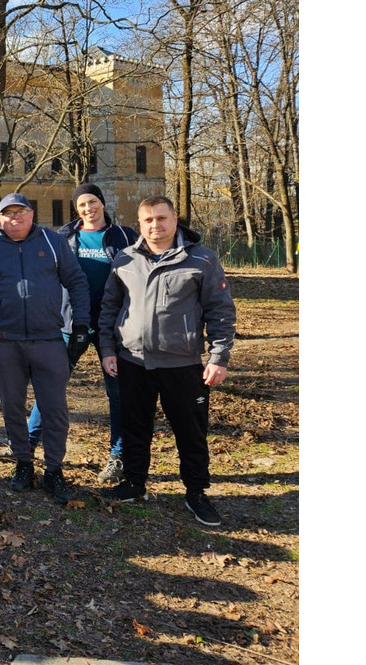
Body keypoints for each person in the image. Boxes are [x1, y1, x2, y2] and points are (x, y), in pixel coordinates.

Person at [98, 196, 236, 527]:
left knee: (190, 432)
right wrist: (107, 349)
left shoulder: (201, 259)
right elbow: (109, 308)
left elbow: (220, 310)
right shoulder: (125, 259)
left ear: (175, 219)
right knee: (134, 427)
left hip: (183, 364)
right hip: (132, 361)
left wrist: (218, 357)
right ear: (140, 223)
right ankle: (134, 483)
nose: (155, 226)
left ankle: (197, 493)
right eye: (148, 220)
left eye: (162, 218)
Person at [6, 184, 137, 483]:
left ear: (102, 203)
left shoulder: (124, 236)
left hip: (113, 324)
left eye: (92, 201)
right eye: (81, 204)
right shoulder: (63, 237)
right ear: (76, 209)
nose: (88, 208)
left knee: (118, 393)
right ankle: (27, 443)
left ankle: (118, 455)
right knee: (51, 385)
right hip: (70, 323)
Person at [0, 193, 91, 505]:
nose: (15, 219)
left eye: (20, 213)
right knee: (12, 406)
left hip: (49, 339)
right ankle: (23, 463)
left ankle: (54, 469)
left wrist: (80, 326)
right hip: (7, 342)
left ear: (31, 214)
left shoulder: (53, 242)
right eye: (8, 214)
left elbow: (76, 282)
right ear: (0, 219)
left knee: (55, 408)